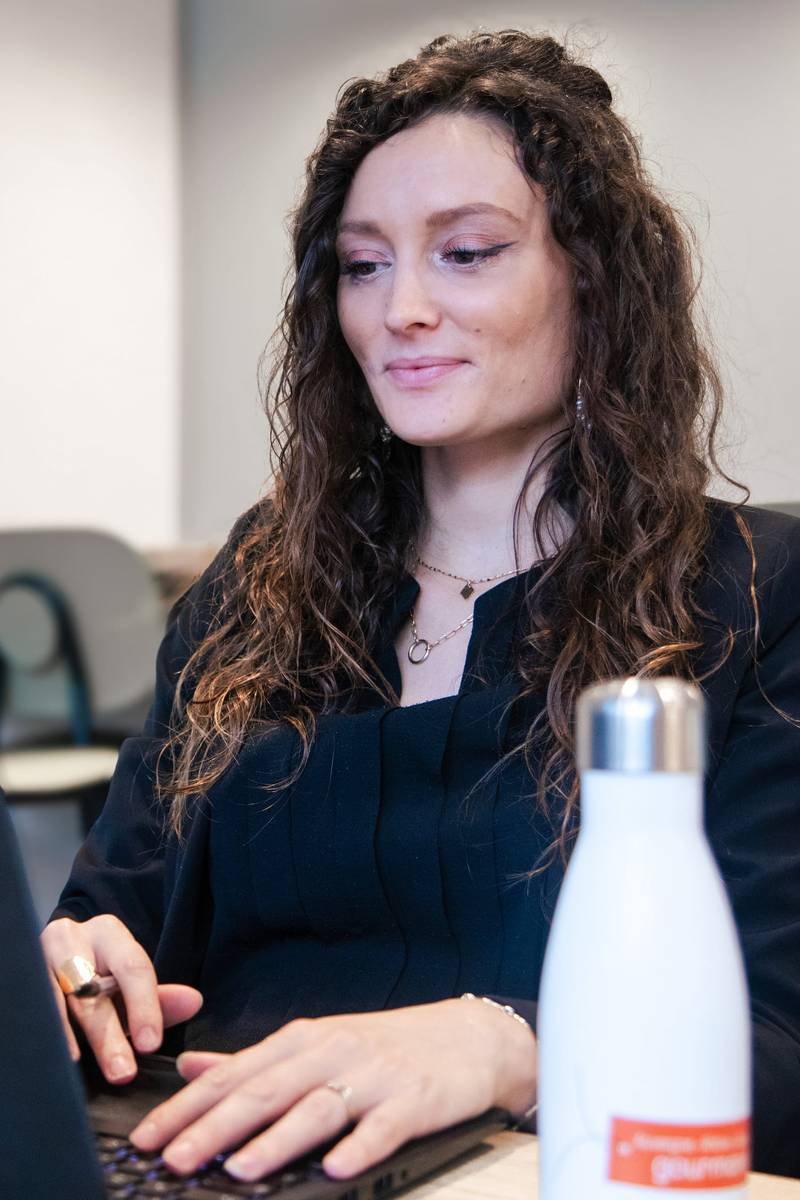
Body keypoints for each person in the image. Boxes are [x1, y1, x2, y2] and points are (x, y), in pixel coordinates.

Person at [42, 28, 800, 1185]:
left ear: (593, 277)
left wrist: (514, 1046)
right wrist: (79, 968)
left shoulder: (750, 594)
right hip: (202, 1155)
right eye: (361, 265)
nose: (398, 308)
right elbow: (110, 912)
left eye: (466, 253)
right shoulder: (259, 580)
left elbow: (778, 1046)